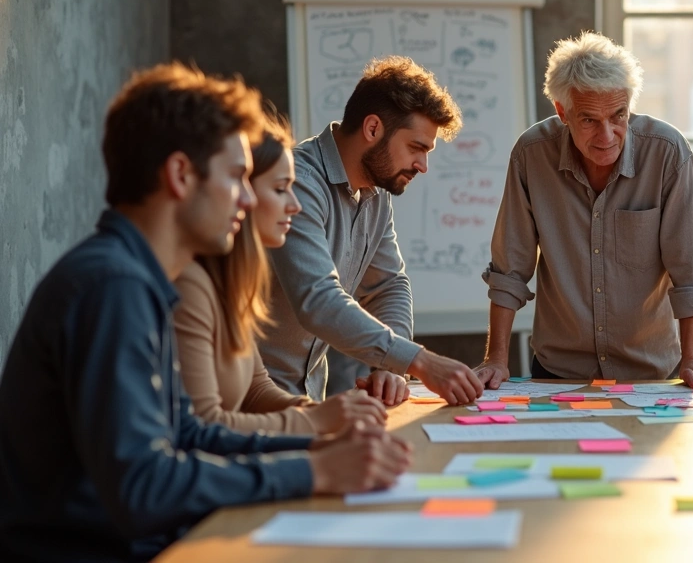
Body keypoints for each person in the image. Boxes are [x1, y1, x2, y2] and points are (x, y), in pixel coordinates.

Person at [0, 63, 412, 562]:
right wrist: (316, 471)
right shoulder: (114, 287)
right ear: (179, 175)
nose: (246, 197)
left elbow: (188, 434)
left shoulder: (138, 278)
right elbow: (143, 488)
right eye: (237, 177)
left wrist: (322, 452)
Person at [474, 32, 693, 386]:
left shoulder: (667, 153)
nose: (607, 135)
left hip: (650, 371)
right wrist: (495, 359)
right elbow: (509, 269)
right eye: (589, 120)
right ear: (563, 112)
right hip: (558, 372)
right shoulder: (532, 155)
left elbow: (689, 269)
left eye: (618, 116)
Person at [259, 56, 484, 405]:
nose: (423, 166)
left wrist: (390, 369)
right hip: (248, 401)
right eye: (416, 148)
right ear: (373, 129)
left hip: (305, 403)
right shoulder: (299, 183)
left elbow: (388, 286)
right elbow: (317, 300)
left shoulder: (376, 192)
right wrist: (418, 360)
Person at [175, 112, 389, 434]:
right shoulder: (190, 285)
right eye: (279, 189)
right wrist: (317, 425)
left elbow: (257, 391)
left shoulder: (232, 284)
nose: (295, 205)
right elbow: (202, 429)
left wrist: (334, 412)